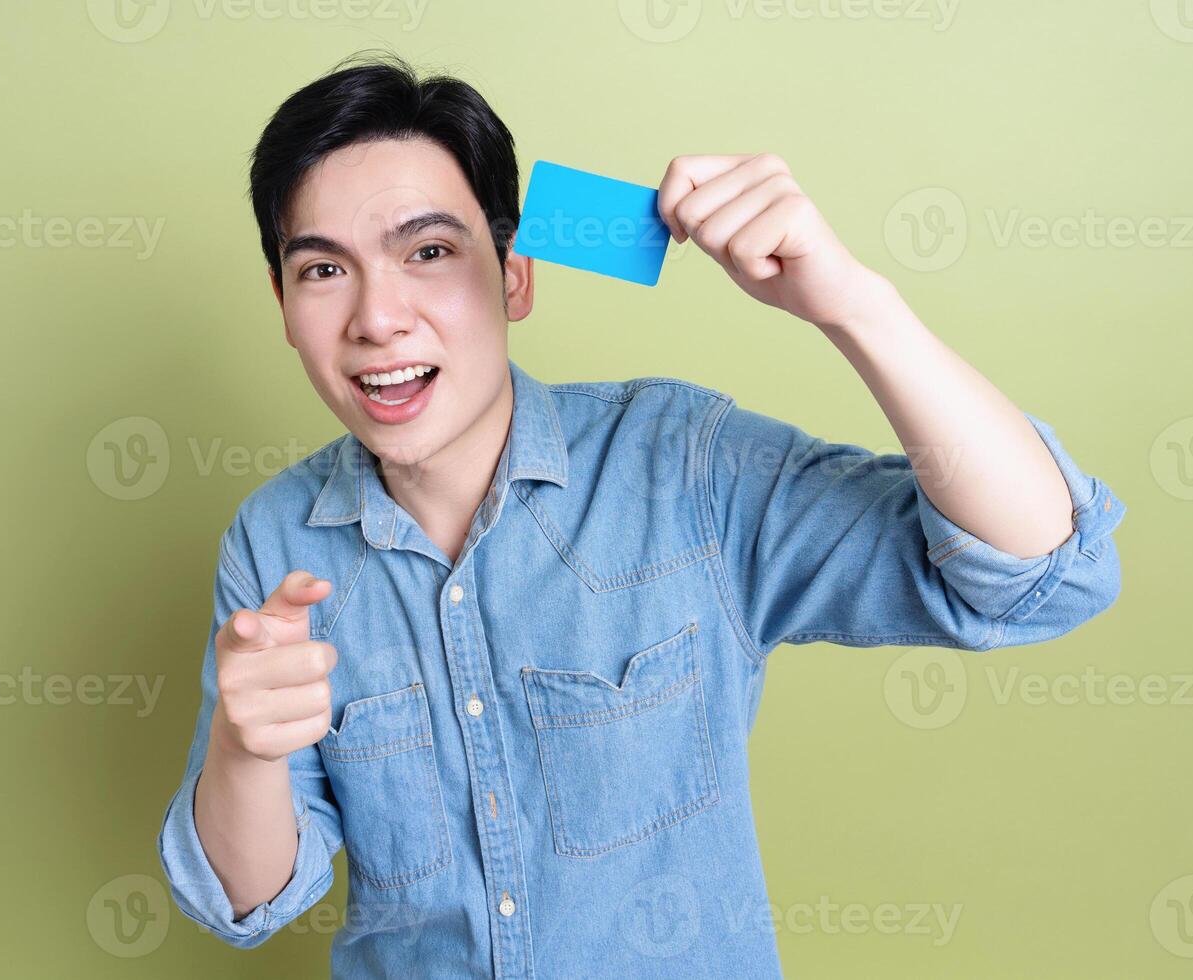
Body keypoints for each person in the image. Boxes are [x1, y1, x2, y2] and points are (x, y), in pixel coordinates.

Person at [157, 50, 1125, 979]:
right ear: (284, 306)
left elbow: (1041, 572)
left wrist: (854, 306)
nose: (376, 316)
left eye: (430, 251)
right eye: (322, 270)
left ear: (515, 275)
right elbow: (246, 900)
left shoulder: (680, 461)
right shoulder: (274, 539)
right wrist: (244, 751)